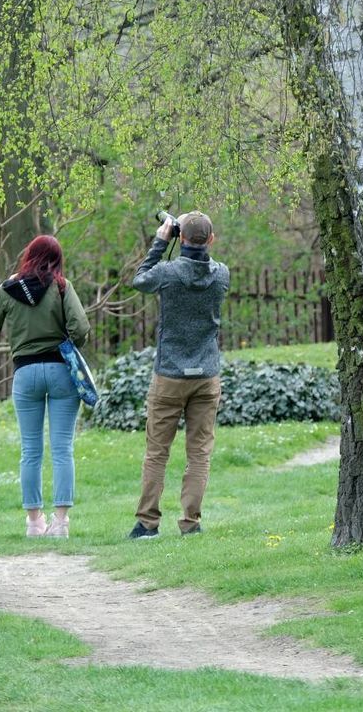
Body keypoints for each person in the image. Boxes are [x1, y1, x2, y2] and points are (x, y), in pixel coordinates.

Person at [127, 211, 230, 539]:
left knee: (158, 450)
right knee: (199, 452)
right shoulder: (221, 275)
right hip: (206, 374)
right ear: (211, 240)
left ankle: (147, 524)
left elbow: (140, 279)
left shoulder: (168, 273)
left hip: (170, 373)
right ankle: (191, 522)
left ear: (180, 238)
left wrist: (160, 240)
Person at [0, 235, 90, 538]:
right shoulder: (62, 286)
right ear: (57, 258)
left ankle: (33, 522)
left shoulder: (8, 289)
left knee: (30, 450)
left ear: (28, 255)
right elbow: (81, 327)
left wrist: (5, 287)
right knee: (62, 448)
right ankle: (61, 522)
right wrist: (70, 345)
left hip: (25, 373)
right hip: (60, 371)